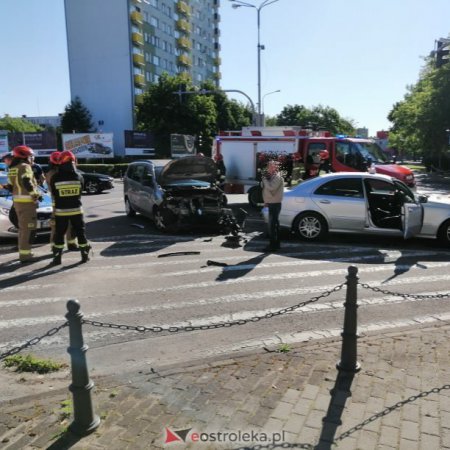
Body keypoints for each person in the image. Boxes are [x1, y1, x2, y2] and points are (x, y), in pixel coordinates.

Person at [50, 150, 91, 265]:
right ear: (74, 161)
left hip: (61, 212)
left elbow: (54, 193)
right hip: (77, 211)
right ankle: (84, 256)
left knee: (59, 235)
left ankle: (57, 259)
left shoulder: (55, 177)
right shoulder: (79, 176)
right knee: (80, 233)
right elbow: (80, 192)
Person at [7, 145, 42, 263]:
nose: (32, 159)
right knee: (29, 229)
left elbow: (10, 187)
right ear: (25, 157)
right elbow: (27, 181)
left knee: (23, 229)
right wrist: (36, 195)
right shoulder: (25, 166)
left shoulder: (12, 168)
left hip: (17, 203)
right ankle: (26, 255)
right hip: (27, 204)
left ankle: (24, 253)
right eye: (31, 156)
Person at [46, 151, 79, 251]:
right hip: (59, 202)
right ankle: (57, 246)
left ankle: (70, 243)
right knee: (57, 225)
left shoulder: (52, 172)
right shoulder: (55, 174)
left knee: (67, 224)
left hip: (59, 202)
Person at [261, 160, 284, 252]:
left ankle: (273, 245)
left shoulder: (278, 177)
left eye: (271, 166)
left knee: (272, 226)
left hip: (275, 204)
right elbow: (266, 189)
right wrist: (266, 201)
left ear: (275, 167)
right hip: (271, 203)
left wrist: (264, 180)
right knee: (274, 225)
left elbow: (271, 188)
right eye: (268, 166)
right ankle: (275, 244)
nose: (269, 168)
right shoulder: (271, 176)